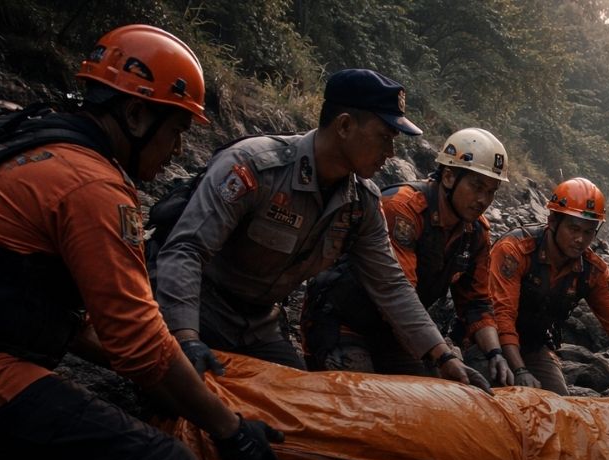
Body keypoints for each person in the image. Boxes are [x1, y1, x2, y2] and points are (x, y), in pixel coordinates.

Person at [0, 24, 382, 460]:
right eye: (175, 130)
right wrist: (227, 425)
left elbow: (49, 308)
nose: (179, 148)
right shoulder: (95, 188)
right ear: (134, 114)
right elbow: (139, 343)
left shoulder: (38, 143)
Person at [154, 68, 476, 386]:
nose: (390, 154)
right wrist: (185, 337)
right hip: (200, 305)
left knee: (299, 403)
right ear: (345, 125)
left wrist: (442, 356)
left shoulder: (361, 204)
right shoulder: (255, 167)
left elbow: (390, 285)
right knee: (186, 400)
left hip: (260, 323)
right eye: (384, 138)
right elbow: (186, 250)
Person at [299, 127, 512, 384]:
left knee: (431, 401)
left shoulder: (475, 232)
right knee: (361, 399)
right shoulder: (403, 209)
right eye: (477, 186)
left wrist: (495, 353)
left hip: (397, 331)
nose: (483, 200)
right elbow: (399, 292)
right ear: (448, 177)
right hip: (345, 320)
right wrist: (443, 355)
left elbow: (476, 303)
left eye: (491, 191)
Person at [488, 177, 609, 398]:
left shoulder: (592, 270)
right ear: (552, 221)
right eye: (573, 228)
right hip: (488, 339)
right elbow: (502, 314)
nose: (580, 239)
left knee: (559, 404)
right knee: (497, 394)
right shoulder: (515, 250)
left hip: (533, 344)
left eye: (588, 232)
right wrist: (519, 370)